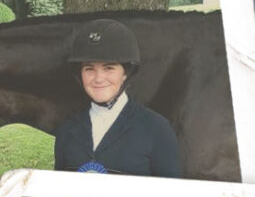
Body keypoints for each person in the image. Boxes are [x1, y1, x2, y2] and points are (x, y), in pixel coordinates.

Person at [54, 18, 182, 177]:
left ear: (125, 74)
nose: (98, 78)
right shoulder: (67, 131)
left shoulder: (157, 129)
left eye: (109, 68)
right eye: (89, 69)